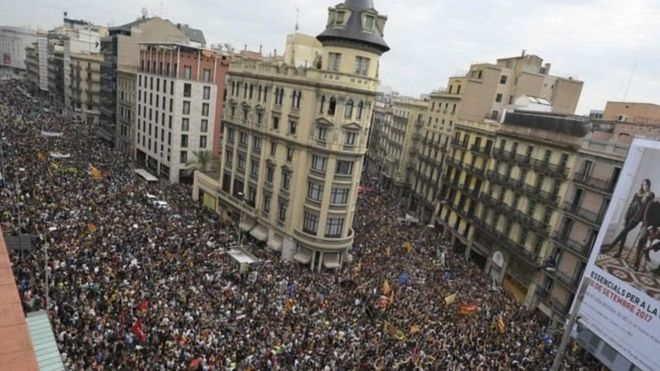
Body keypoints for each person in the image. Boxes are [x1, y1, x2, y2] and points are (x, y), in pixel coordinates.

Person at [602, 179, 654, 259]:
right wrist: (625, 217)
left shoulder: (650, 195)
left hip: (636, 218)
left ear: (649, 185)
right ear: (642, 185)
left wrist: (644, 221)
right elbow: (631, 205)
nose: (645, 186)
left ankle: (610, 247)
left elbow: (649, 208)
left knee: (623, 232)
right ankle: (619, 253)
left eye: (646, 185)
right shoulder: (637, 193)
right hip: (629, 215)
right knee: (624, 234)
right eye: (643, 184)